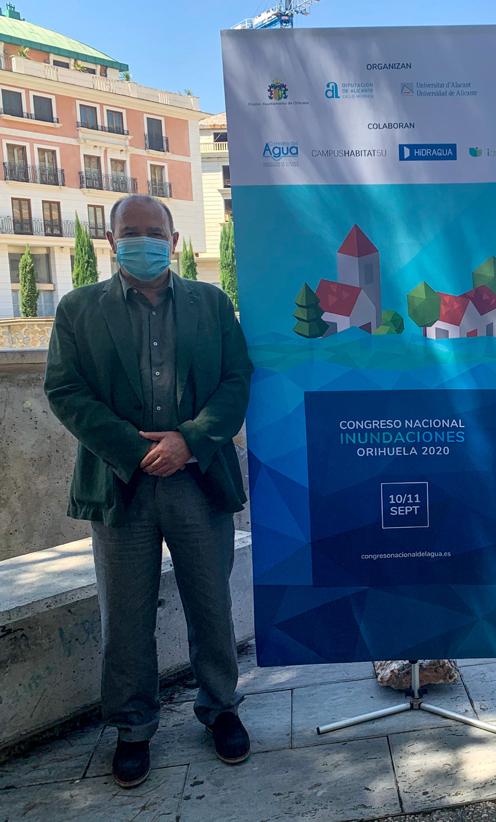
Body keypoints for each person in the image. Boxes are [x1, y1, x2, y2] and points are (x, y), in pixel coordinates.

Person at [44, 194, 254, 788]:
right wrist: (138, 450)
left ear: (175, 239)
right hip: (121, 484)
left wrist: (190, 441)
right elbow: (66, 391)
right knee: (126, 612)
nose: (143, 240)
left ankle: (220, 709)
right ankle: (133, 728)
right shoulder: (78, 309)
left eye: (154, 230)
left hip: (197, 479)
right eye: (130, 231)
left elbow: (237, 381)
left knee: (211, 602)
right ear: (110, 241)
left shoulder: (212, 305)